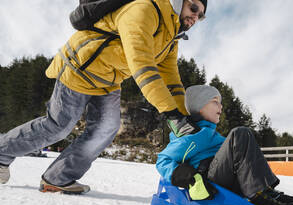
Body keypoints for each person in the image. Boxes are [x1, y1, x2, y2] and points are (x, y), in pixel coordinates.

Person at [0, 0, 207, 193]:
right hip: (81, 67)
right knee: (59, 125)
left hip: (109, 80)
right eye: (194, 8)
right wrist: (170, 113)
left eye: (201, 15)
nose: (195, 17)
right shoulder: (145, 10)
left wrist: (184, 115)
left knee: (106, 128)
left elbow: (171, 80)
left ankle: (57, 178)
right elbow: (142, 65)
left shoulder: (172, 38)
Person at [156, 85, 293, 205]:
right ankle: (258, 200)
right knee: (240, 133)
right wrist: (188, 177)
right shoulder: (189, 135)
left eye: (220, 102)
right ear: (199, 107)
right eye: (215, 102)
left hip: (225, 177)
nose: (220, 106)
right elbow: (163, 160)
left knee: (241, 138)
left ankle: (265, 193)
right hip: (208, 182)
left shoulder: (213, 135)